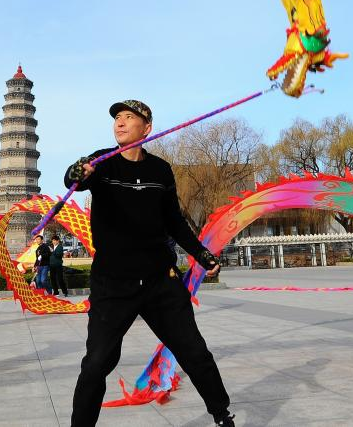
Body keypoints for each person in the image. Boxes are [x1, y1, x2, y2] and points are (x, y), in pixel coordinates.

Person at [65, 100, 233, 427]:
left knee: (194, 352)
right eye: (117, 118)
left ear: (147, 128)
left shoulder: (160, 171)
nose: (120, 123)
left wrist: (200, 253)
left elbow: (174, 222)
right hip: (113, 283)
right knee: (97, 363)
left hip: (160, 280)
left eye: (129, 117)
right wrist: (76, 172)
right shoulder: (101, 162)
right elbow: (76, 179)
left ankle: (222, 415)